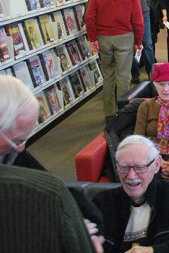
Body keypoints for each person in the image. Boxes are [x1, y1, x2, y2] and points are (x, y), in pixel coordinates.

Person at [0, 75, 102, 252]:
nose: (21, 148)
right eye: (17, 140)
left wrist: (77, 219)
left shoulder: (11, 154)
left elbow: (48, 185)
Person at [85, 0, 144, 119]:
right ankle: (122, 112)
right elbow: (138, 20)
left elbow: (90, 16)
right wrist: (139, 41)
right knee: (123, 75)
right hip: (124, 37)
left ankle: (109, 112)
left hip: (103, 37)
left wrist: (92, 38)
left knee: (108, 74)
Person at [125, 0, 154, 84]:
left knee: (147, 43)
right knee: (131, 46)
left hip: (144, 15)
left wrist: (146, 8)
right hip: (130, 18)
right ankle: (134, 73)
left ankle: (151, 72)